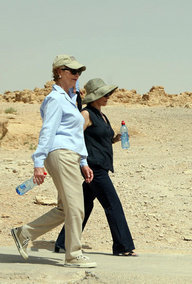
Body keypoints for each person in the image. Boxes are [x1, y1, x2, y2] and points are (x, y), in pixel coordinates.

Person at [10, 55, 96, 268]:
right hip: (60, 154)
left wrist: (83, 161)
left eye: (79, 72)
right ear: (59, 72)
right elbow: (47, 131)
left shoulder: (69, 98)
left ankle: (24, 233)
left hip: (70, 155)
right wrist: (38, 162)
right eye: (73, 71)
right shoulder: (55, 99)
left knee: (65, 208)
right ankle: (73, 255)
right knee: (76, 207)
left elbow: (76, 133)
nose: (77, 75)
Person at [54, 78, 137, 256]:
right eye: (104, 94)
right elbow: (75, 137)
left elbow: (101, 139)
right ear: (94, 96)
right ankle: (123, 246)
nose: (108, 97)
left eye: (108, 94)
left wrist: (116, 139)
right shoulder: (85, 114)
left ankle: (62, 243)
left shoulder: (102, 115)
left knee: (84, 205)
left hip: (100, 167)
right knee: (113, 204)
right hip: (93, 168)